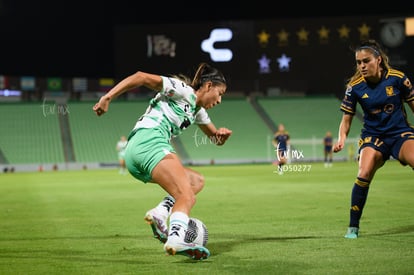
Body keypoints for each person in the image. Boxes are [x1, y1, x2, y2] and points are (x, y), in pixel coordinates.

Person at [93, 63, 232, 260]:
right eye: (220, 93)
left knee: (196, 181)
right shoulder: (182, 90)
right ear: (208, 86)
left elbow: (214, 138)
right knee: (187, 197)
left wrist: (221, 137)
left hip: (137, 155)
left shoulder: (198, 111)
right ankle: (176, 239)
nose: (219, 100)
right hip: (149, 142)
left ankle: (160, 213)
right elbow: (141, 76)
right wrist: (108, 97)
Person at [333, 39, 414, 239]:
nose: (361, 66)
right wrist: (341, 138)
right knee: (364, 172)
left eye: (366, 61)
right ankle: (353, 227)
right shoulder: (354, 87)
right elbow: (346, 120)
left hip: (399, 134)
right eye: (358, 62)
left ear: (378, 60)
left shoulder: (398, 79)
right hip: (373, 137)